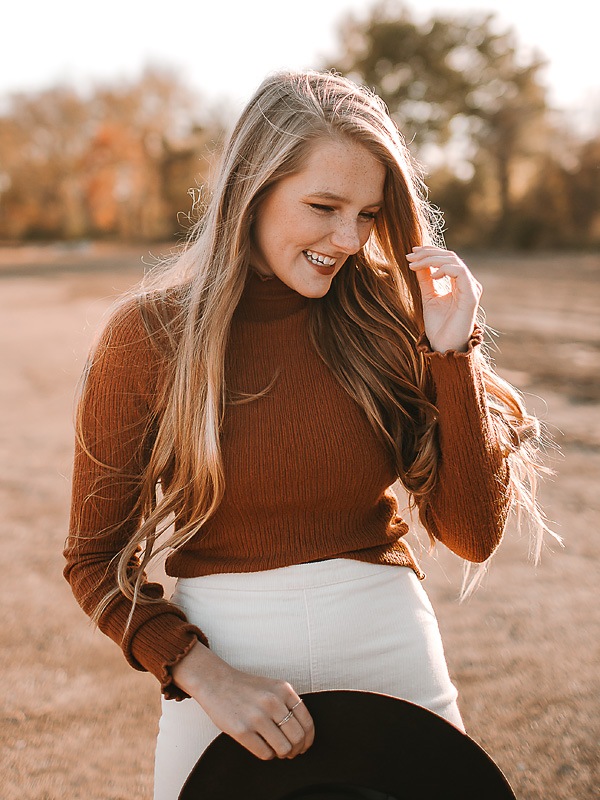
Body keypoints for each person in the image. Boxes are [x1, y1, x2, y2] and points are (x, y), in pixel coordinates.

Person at [64, 70, 550, 800]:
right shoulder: (149, 338)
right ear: (251, 190)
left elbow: (472, 534)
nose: (349, 239)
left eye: (367, 214)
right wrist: (202, 674)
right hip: (226, 676)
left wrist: (455, 354)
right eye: (323, 207)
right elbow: (92, 562)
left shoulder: (387, 323)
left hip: (392, 658)